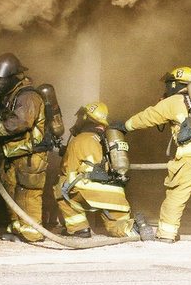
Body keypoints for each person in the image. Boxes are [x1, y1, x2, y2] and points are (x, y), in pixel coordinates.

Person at [114, 66, 191, 248]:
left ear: (174, 84)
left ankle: (166, 234)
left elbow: (149, 116)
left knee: (176, 195)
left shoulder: (173, 102)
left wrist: (125, 126)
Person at [55, 101, 145, 239]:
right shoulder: (106, 140)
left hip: (91, 190)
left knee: (61, 184)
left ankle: (78, 229)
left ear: (86, 118)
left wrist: (67, 153)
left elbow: (67, 169)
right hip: (116, 194)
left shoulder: (80, 139)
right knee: (116, 226)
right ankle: (133, 228)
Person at [0, 53, 47, 243]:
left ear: (13, 77)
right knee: (12, 192)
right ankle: (18, 230)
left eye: (2, 78)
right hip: (15, 155)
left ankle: (32, 233)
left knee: (27, 195)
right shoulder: (11, 95)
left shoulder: (28, 95)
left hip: (30, 156)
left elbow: (20, 122)